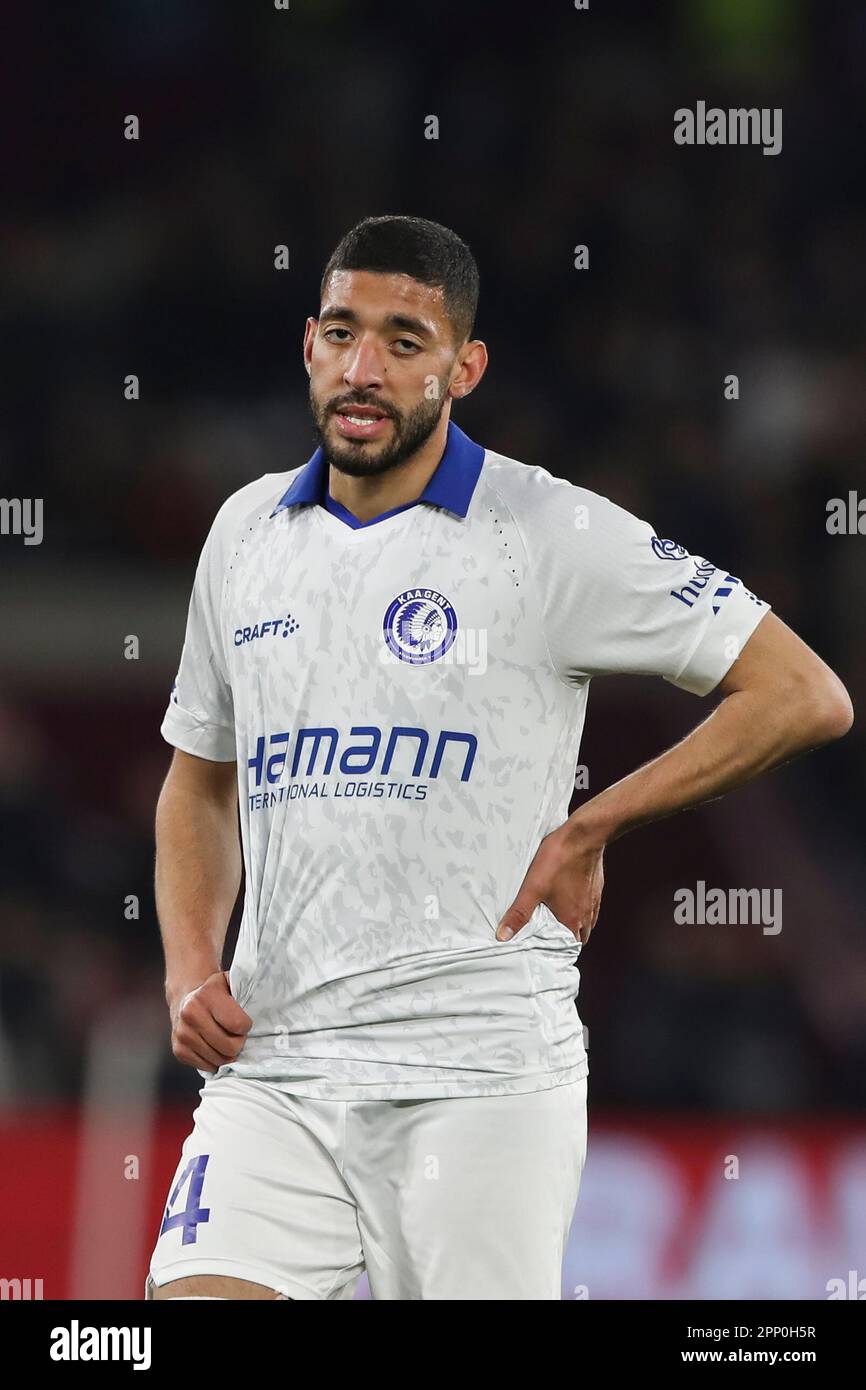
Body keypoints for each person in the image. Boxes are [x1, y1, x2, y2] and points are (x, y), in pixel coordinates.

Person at [146, 215, 852, 1301]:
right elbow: (199, 778)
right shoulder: (243, 534)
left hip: (478, 1081)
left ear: (462, 366)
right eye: (342, 333)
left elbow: (801, 693)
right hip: (276, 1071)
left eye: (404, 339)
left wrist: (592, 823)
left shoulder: (546, 532)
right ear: (307, 345)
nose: (364, 367)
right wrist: (191, 960)